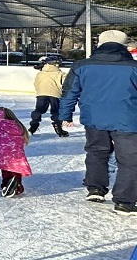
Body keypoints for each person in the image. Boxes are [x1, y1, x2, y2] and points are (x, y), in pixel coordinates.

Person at [58, 29, 137, 212]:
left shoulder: (81, 66)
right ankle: (124, 201)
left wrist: (65, 115)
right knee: (130, 159)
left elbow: (69, 92)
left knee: (96, 152)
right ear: (123, 46)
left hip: (94, 119)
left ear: (99, 45)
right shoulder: (134, 68)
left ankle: (95, 188)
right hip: (128, 120)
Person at [31, 58, 68, 136]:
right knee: (56, 111)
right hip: (55, 94)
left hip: (41, 94)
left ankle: (33, 125)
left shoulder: (40, 73)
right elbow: (66, 85)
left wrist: (40, 91)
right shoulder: (60, 73)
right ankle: (58, 127)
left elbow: (36, 83)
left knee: (38, 110)